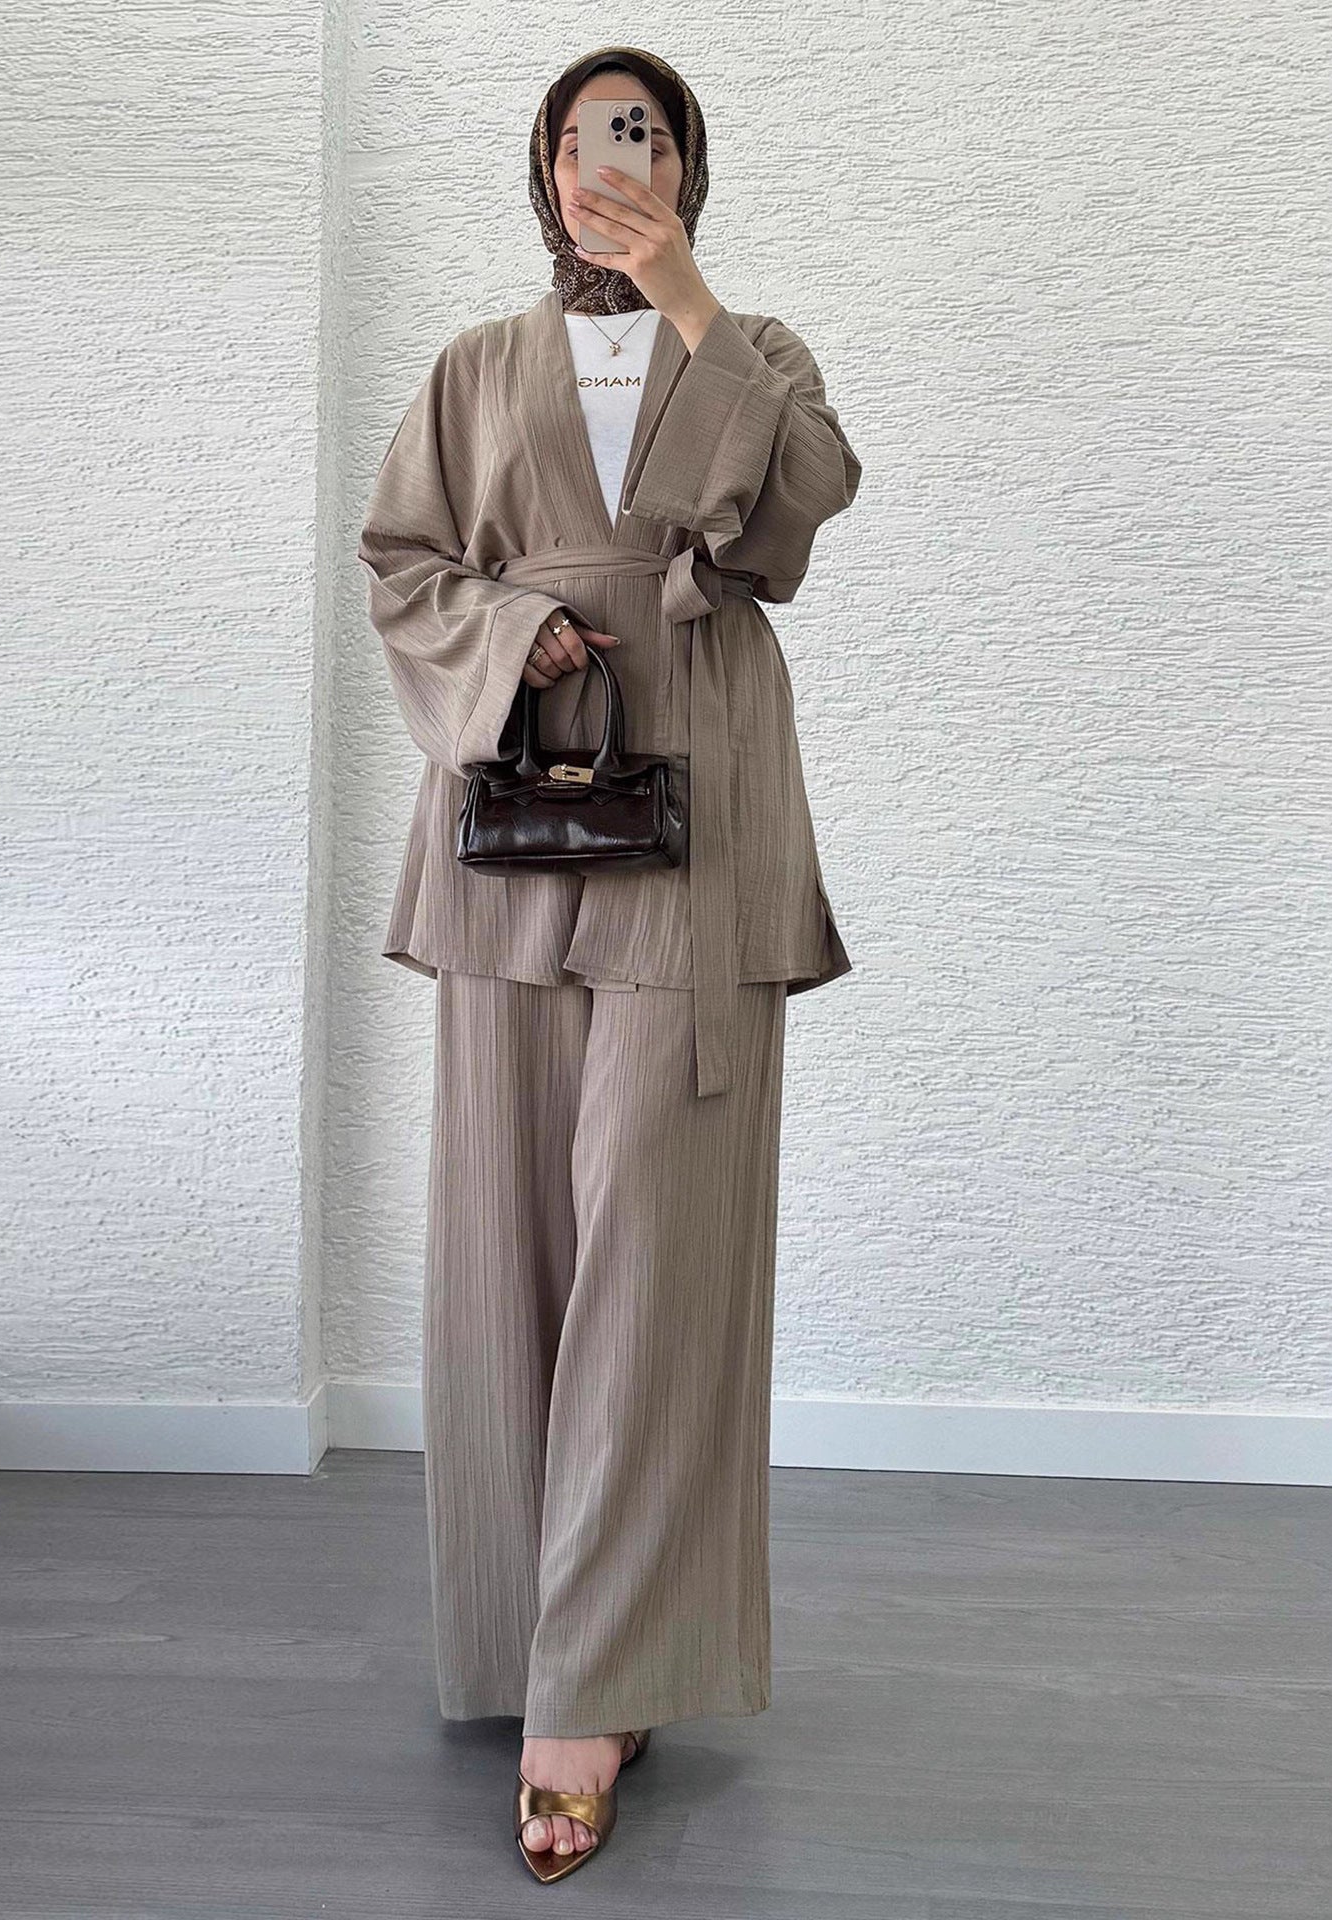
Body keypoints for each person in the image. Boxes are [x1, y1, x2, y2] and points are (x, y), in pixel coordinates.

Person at [356, 44, 863, 1882]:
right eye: (583, 139)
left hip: (700, 812)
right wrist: (513, 634)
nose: (611, 165)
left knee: (661, 1245)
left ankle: (598, 1680)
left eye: (644, 135)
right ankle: (530, 1644)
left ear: (690, 167)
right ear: (542, 168)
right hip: (513, 817)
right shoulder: (473, 368)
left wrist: (686, 299)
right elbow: (403, 561)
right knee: (507, 1245)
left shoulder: (757, 349)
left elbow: (801, 514)